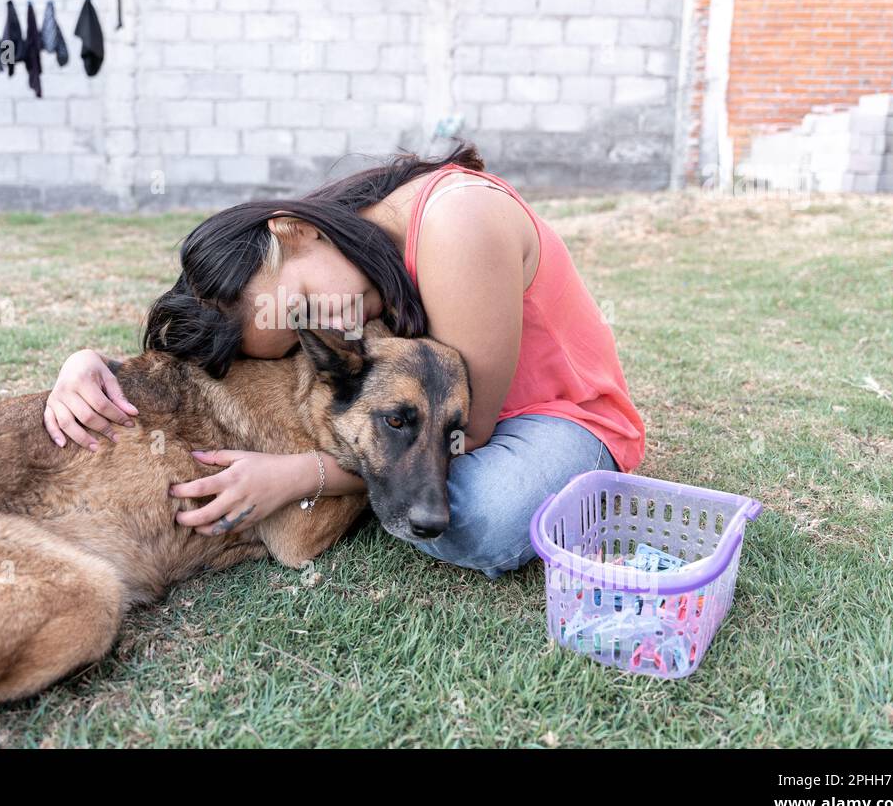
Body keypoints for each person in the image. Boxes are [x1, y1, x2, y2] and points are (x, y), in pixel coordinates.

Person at [43, 142, 645, 579]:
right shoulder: (345, 263)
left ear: (293, 231)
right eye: (297, 333)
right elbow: (204, 367)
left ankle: (587, 479)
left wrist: (304, 476)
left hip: (547, 420)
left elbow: (464, 435)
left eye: (305, 305)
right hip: (422, 420)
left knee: (483, 514)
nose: (336, 328)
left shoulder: (456, 223)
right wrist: (90, 363)